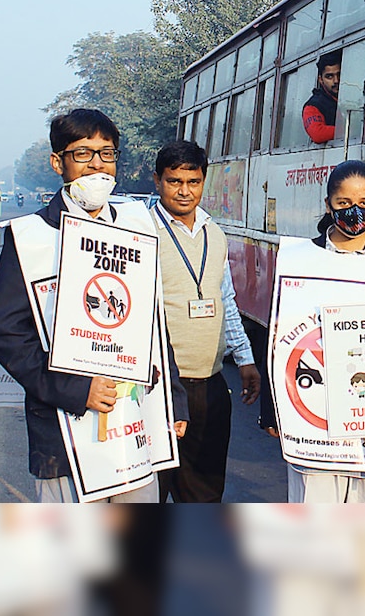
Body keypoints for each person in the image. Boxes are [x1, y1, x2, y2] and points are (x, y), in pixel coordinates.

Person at [0, 108, 188, 503]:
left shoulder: (136, 226)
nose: (97, 165)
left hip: (136, 425)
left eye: (106, 153)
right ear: (57, 162)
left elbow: (152, 323)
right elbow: (6, 334)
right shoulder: (30, 239)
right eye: (82, 153)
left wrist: (173, 397)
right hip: (65, 434)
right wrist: (75, 390)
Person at [265, 159, 365, 503]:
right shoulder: (298, 260)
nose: (355, 212)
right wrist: (274, 409)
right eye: (343, 204)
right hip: (314, 416)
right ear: (328, 205)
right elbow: (278, 340)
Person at [150, 139, 261, 503]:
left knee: (205, 493)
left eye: (193, 182)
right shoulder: (142, 233)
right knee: (151, 491)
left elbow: (225, 298)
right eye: (174, 181)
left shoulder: (215, 233)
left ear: (203, 181)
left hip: (211, 384)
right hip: (160, 386)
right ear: (157, 181)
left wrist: (244, 359)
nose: (184, 191)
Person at [302, 50, 342, 143]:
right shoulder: (313, 106)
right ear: (321, 79)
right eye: (329, 76)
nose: (336, 80)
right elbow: (318, 134)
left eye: (339, 74)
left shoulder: (354, 97)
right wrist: (349, 131)